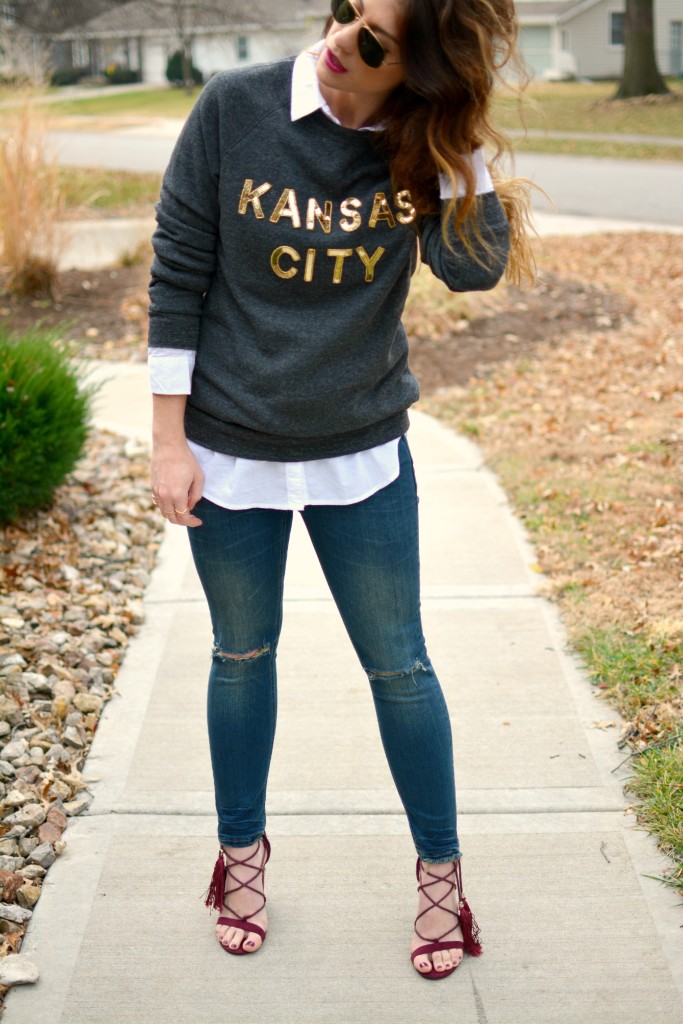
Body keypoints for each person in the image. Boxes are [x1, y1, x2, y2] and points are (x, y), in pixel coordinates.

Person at [148, 0, 533, 981]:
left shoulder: (412, 148)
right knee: (241, 655)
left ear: (417, 78)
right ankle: (241, 855)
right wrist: (166, 443)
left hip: (360, 452)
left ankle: (440, 875)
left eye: (371, 42)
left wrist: (453, 143)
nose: (337, 42)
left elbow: (473, 266)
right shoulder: (233, 110)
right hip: (230, 449)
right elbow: (177, 275)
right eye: (342, 10)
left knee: (399, 666)